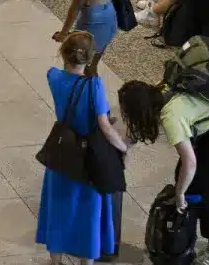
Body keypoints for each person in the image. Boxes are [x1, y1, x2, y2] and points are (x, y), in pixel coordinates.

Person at [120, 78, 209, 265]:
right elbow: (137, 130)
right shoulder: (159, 91)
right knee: (191, 183)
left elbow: (190, 163)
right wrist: (121, 147)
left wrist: (180, 194)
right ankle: (183, 240)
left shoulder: (171, 115)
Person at [38, 31, 130, 264]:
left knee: (58, 208)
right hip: (87, 157)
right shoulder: (94, 86)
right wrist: (122, 146)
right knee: (88, 211)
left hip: (62, 151)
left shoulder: (53, 77)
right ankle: (85, 260)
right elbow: (104, 126)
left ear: (63, 54)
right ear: (90, 59)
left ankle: (55, 260)